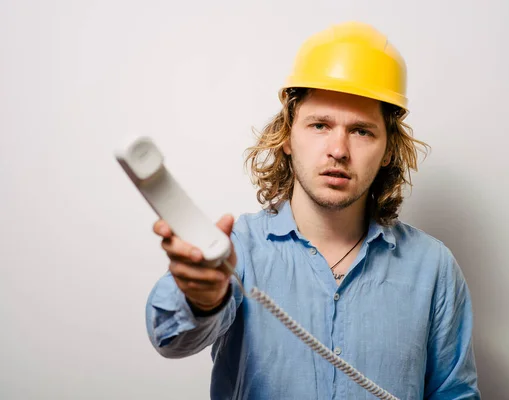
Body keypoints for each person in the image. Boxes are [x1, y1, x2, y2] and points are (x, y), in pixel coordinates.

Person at [145, 21, 481, 400]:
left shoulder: (433, 267)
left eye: (361, 131)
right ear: (288, 135)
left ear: (388, 149)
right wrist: (202, 299)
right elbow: (170, 340)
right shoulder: (236, 249)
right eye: (320, 125)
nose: (338, 149)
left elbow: (455, 394)